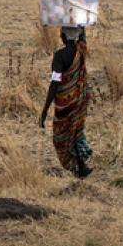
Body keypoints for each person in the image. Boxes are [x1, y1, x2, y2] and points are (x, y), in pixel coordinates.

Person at [39, 27, 93, 178]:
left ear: (62, 36)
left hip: (65, 105)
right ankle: (81, 166)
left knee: (61, 138)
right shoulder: (81, 51)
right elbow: (83, 37)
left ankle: (76, 166)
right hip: (80, 101)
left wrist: (44, 111)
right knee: (76, 131)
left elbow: (55, 83)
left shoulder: (59, 56)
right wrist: (80, 21)